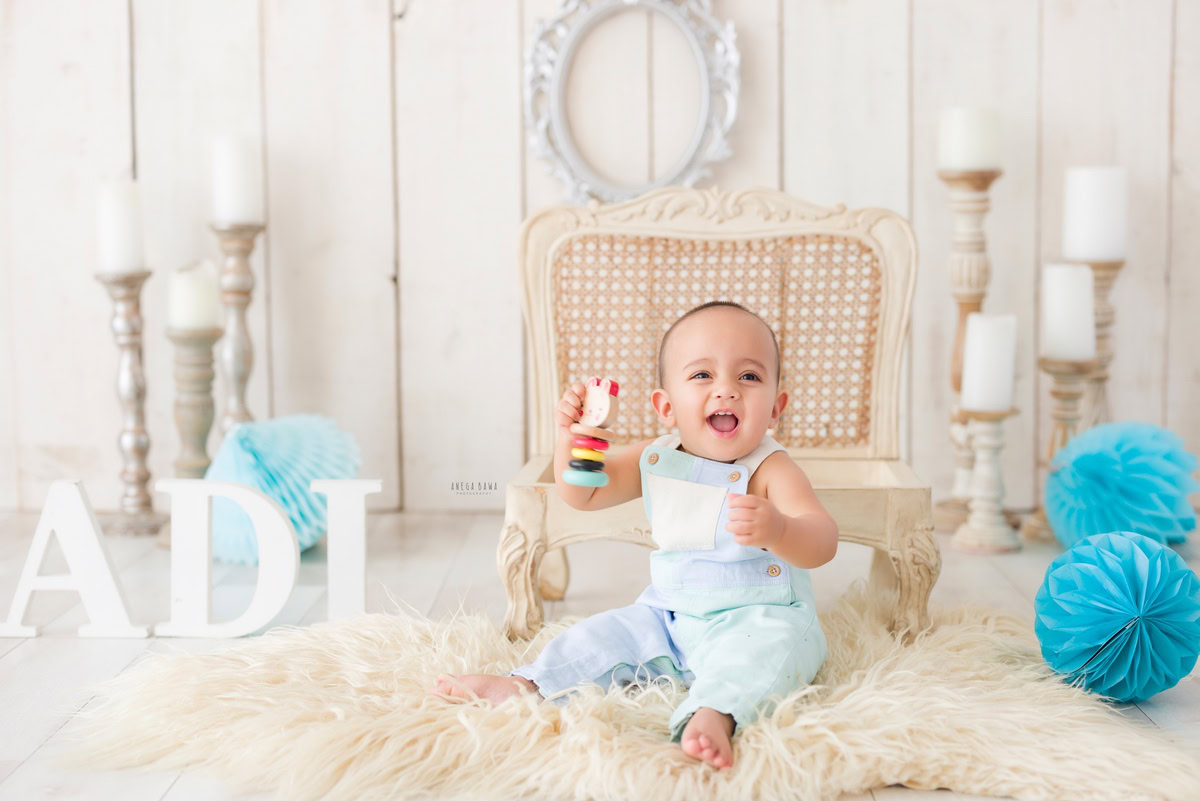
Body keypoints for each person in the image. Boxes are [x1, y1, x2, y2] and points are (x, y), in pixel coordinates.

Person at [430, 301, 837, 770]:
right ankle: (528, 684)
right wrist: (573, 438)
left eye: (748, 376)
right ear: (666, 407)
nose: (726, 389)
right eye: (702, 375)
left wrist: (781, 529)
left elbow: (822, 540)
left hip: (758, 614)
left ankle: (713, 714)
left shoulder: (772, 468)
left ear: (776, 407)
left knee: (762, 658)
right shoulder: (656, 458)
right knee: (601, 636)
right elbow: (584, 493)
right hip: (668, 614)